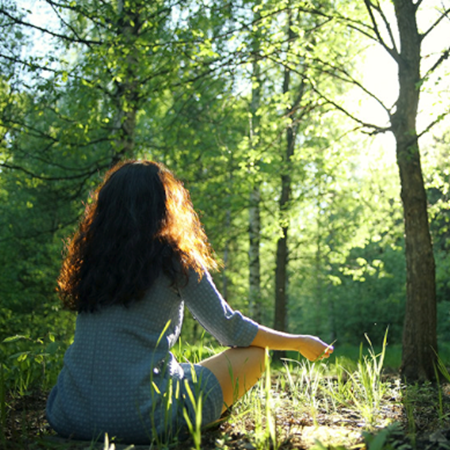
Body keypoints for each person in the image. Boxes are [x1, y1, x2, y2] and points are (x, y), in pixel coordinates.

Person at [46, 160, 333, 444]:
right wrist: (298, 342)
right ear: (165, 205)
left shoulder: (91, 261)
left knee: (181, 370)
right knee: (254, 356)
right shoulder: (175, 260)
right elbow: (230, 330)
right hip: (142, 422)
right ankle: (202, 421)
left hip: (68, 414)